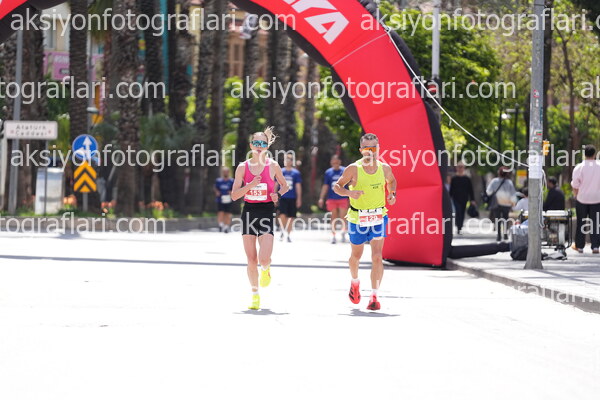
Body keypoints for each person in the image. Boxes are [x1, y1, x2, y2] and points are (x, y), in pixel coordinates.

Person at [333, 134, 397, 311]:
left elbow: (392, 181)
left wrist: (392, 194)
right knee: (356, 256)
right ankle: (355, 283)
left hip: (378, 216)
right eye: (367, 148)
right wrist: (349, 193)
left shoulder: (384, 168)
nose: (371, 152)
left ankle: (374, 296)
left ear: (378, 148)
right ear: (361, 150)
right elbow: (337, 186)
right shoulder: (354, 169)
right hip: (357, 218)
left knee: (377, 256)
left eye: (374, 148)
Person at [231, 127, 289, 310]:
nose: (259, 146)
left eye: (262, 143)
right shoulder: (243, 167)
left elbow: (285, 186)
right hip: (249, 212)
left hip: (266, 211)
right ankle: (255, 295)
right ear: (251, 145)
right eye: (256, 143)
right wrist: (249, 185)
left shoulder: (273, 165)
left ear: (266, 147)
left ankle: (266, 269)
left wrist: (278, 195)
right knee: (251, 260)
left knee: (263, 259)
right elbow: (234, 195)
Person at [570, 145, 600, 254]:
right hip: (597, 199)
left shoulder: (579, 167)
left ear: (584, 154)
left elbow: (575, 184)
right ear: (594, 154)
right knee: (596, 223)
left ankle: (579, 246)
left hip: (582, 199)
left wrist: (576, 195)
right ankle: (595, 246)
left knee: (581, 222)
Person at [318, 155, 349, 244]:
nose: (335, 164)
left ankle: (343, 233)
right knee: (333, 216)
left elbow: (349, 184)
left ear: (340, 162)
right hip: (332, 198)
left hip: (343, 197)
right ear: (331, 163)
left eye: (337, 162)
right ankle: (333, 235)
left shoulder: (344, 171)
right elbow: (325, 186)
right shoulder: (328, 172)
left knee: (343, 217)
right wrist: (321, 198)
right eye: (333, 162)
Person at [486, 166, 517, 242]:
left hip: (496, 203)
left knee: (497, 219)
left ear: (499, 173)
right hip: (506, 204)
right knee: (505, 219)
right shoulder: (509, 182)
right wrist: (513, 203)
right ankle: (505, 234)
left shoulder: (494, 181)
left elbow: (488, 192)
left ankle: (499, 235)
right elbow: (513, 194)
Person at [277, 154, 302, 243]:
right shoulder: (280, 171)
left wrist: (299, 198)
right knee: (282, 214)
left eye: (289, 160)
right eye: (286, 160)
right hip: (282, 197)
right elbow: (276, 184)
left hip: (292, 197)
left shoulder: (296, 173)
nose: (287, 162)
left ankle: (288, 234)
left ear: (292, 162)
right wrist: (275, 195)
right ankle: (282, 231)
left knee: (291, 216)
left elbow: (298, 186)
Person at [449, 162, 476, 234]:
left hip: (464, 199)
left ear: (464, 168)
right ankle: (458, 227)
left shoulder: (467, 179)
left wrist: (472, 199)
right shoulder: (454, 178)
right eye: (459, 167)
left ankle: (460, 227)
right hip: (455, 198)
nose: (460, 168)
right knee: (458, 212)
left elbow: (470, 190)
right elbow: (451, 189)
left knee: (462, 213)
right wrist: (448, 198)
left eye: (461, 167)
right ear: (456, 168)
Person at [214, 167, 234, 233]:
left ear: (228, 172)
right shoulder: (218, 180)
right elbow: (215, 188)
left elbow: (234, 189)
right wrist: (217, 192)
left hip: (228, 199)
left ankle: (226, 226)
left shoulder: (231, 181)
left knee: (228, 213)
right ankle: (220, 225)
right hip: (220, 199)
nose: (225, 173)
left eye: (226, 172)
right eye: (224, 172)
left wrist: (231, 192)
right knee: (221, 212)